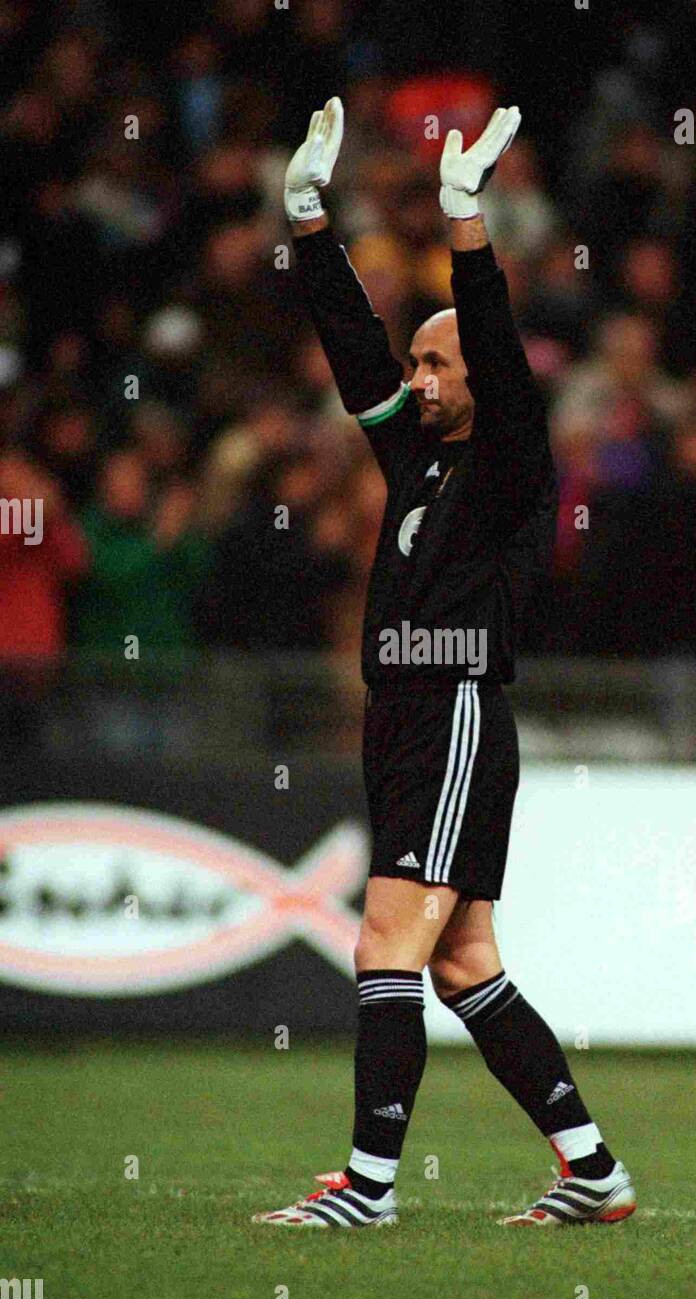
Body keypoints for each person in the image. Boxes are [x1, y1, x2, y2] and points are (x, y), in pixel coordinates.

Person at [253, 98, 635, 1231]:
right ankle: (593, 1170)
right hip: (405, 716)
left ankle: (367, 1190)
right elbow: (353, 351)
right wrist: (311, 221)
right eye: (415, 365)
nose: (417, 380)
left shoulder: (512, 464)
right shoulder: (418, 454)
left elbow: (497, 354)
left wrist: (466, 226)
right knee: (462, 960)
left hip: (456, 707)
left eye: (436, 363)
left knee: (384, 941)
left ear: (483, 373)